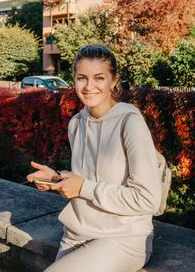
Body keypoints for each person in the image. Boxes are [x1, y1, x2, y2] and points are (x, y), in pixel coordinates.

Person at [27, 44, 161, 272]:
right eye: (82, 78)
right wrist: (58, 179)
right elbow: (87, 179)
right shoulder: (76, 123)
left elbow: (148, 199)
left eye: (99, 78)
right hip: (76, 234)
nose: (89, 86)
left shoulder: (130, 123)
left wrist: (83, 188)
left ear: (113, 81)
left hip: (122, 238)